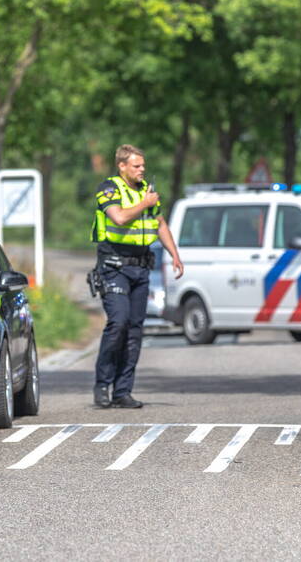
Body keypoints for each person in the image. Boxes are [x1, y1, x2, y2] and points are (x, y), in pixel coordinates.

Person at [91, 144, 183, 409]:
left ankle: (123, 391)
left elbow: (160, 224)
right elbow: (119, 218)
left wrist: (174, 255)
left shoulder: (147, 192)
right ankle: (102, 385)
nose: (142, 170)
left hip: (141, 267)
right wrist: (145, 203)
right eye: (136, 166)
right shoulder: (108, 188)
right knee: (118, 323)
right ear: (122, 166)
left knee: (134, 331)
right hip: (114, 267)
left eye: (143, 165)